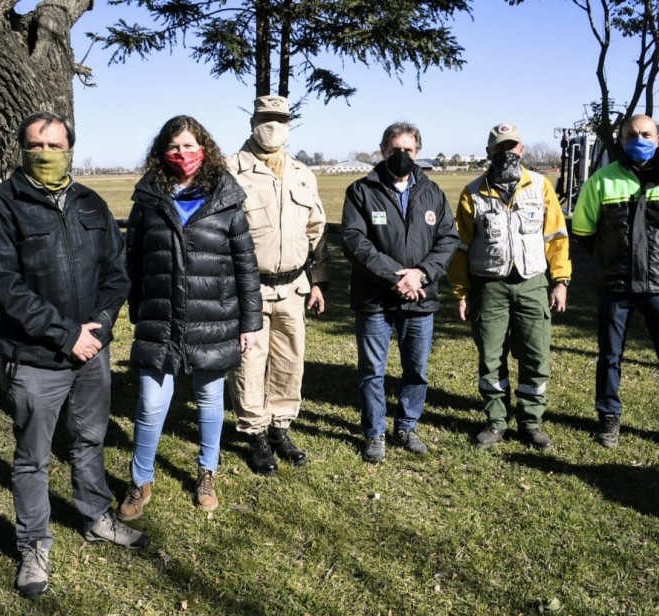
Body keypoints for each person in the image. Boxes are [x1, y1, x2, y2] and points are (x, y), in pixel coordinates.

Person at [0, 111, 148, 599]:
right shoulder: (0, 206)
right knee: (32, 457)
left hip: (93, 351)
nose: (45, 153)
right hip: (34, 356)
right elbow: (2, 284)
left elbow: (117, 273)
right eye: (36, 146)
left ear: (71, 147)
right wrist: (64, 332)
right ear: (22, 149)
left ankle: (94, 516)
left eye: (55, 145)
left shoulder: (90, 204)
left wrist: (102, 325)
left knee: (90, 439)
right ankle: (32, 544)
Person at [120, 115, 262, 519]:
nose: (182, 154)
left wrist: (250, 322)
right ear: (163, 152)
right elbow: (133, 262)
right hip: (159, 318)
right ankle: (140, 478)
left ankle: (207, 471)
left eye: (189, 145)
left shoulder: (225, 197)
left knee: (209, 399)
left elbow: (245, 266)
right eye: (174, 146)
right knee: (149, 403)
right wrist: (134, 309)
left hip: (212, 316)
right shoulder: (147, 198)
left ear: (204, 147)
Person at [572, 114, 659, 454]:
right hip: (616, 286)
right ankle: (609, 417)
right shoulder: (601, 181)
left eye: (645, 134)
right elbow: (583, 231)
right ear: (622, 140)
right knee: (610, 356)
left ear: (657, 139)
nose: (638, 140)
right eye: (631, 135)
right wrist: (611, 260)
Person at [447, 123, 572, 451]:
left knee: (536, 354)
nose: (507, 153)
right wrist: (461, 293)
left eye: (512, 146)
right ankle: (496, 421)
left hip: (532, 284)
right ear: (489, 153)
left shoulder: (541, 186)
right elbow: (459, 248)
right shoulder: (472, 192)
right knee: (491, 357)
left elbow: (556, 238)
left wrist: (560, 282)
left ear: (522, 149)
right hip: (489, 287)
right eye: (500, 148)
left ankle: (531, 422)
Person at [341, 122, 459, 463]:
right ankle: (375, 432)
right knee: (372, 370)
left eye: (408, 150)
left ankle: (406, 426)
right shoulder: (361, 190)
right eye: (395, 150)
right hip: (375, 297)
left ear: (417, 152)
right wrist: (396, 277)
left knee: (416, 369)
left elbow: (447, 239)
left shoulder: (433, 191)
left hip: (420, 298)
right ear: (383, 151)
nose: (402, 156)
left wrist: (421, 275)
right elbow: (354, 241)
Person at [226, 95, 330, 475]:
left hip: (294, 287)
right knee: (249, 363)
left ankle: (280, 426)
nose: (272, 125)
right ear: (252, 120)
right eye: (265, 118)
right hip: (248, 287)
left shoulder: (303, 173)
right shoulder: (230, 171)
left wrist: (318, 281)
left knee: (290, 360)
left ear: (289, 124)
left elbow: (316, 232)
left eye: (280, 119)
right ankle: (255, 433)